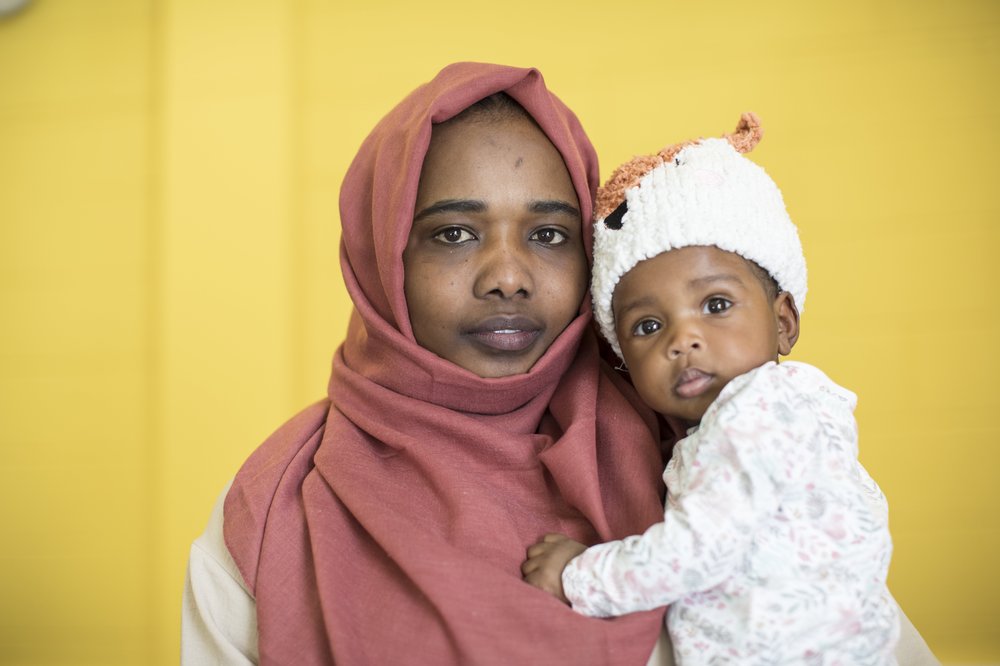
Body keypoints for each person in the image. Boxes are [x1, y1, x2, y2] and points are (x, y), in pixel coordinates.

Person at [182, 64, 939, 665]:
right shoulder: (282, 507)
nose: (507, 276)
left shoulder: (702, 444)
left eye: (547, 235)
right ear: (383, 259)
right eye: (452, 235)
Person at [521, 115, 901, 664]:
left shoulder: (765, 407)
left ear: (784, 322)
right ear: (622, 362)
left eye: (716, 305)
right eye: (647, 327)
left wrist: (579, 576)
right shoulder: (761, 415)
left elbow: (696, 551)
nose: (683, 339)